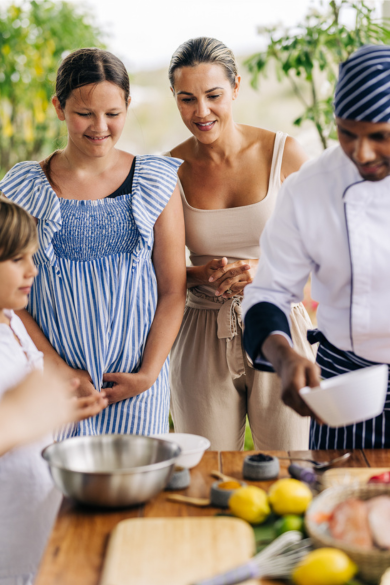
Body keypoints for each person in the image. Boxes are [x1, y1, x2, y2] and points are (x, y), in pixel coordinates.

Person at [0, 48, 186, 438]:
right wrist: (59, 372)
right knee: (56, 493)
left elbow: (172, 290)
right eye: (85, 114)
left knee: (134, 492)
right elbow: (8, 298)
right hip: (53, 388)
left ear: (127, 106)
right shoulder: (23, 186)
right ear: (58, 107)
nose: (99, 126)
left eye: (113, 114)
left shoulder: (155, 180)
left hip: (136, 388)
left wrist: (148, 374)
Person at [166, 37, 315, 451]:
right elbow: (160, 268)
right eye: (187, 99)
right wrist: (202, 273)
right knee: (206, 472)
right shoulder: (168, 170)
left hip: (282, 326)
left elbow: (327, 257)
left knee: (291, 467)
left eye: (213, 95)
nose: (201, 112)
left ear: (235, 87)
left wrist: (264, 273)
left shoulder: (284, 154)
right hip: (201, 334)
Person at [243, 44, 390, 450]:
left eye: (379, 136)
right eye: (347, 133)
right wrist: (285, 355)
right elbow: (267, 294)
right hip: (346, 390)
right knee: (334, 506)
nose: (362, 153)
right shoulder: (310, 187)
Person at [0, 196, 107, 585]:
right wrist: (23, 414)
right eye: (16, 260)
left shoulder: (13, 321)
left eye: (32, 257)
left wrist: (61, 409)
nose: (33, 270)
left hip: (38, 531)